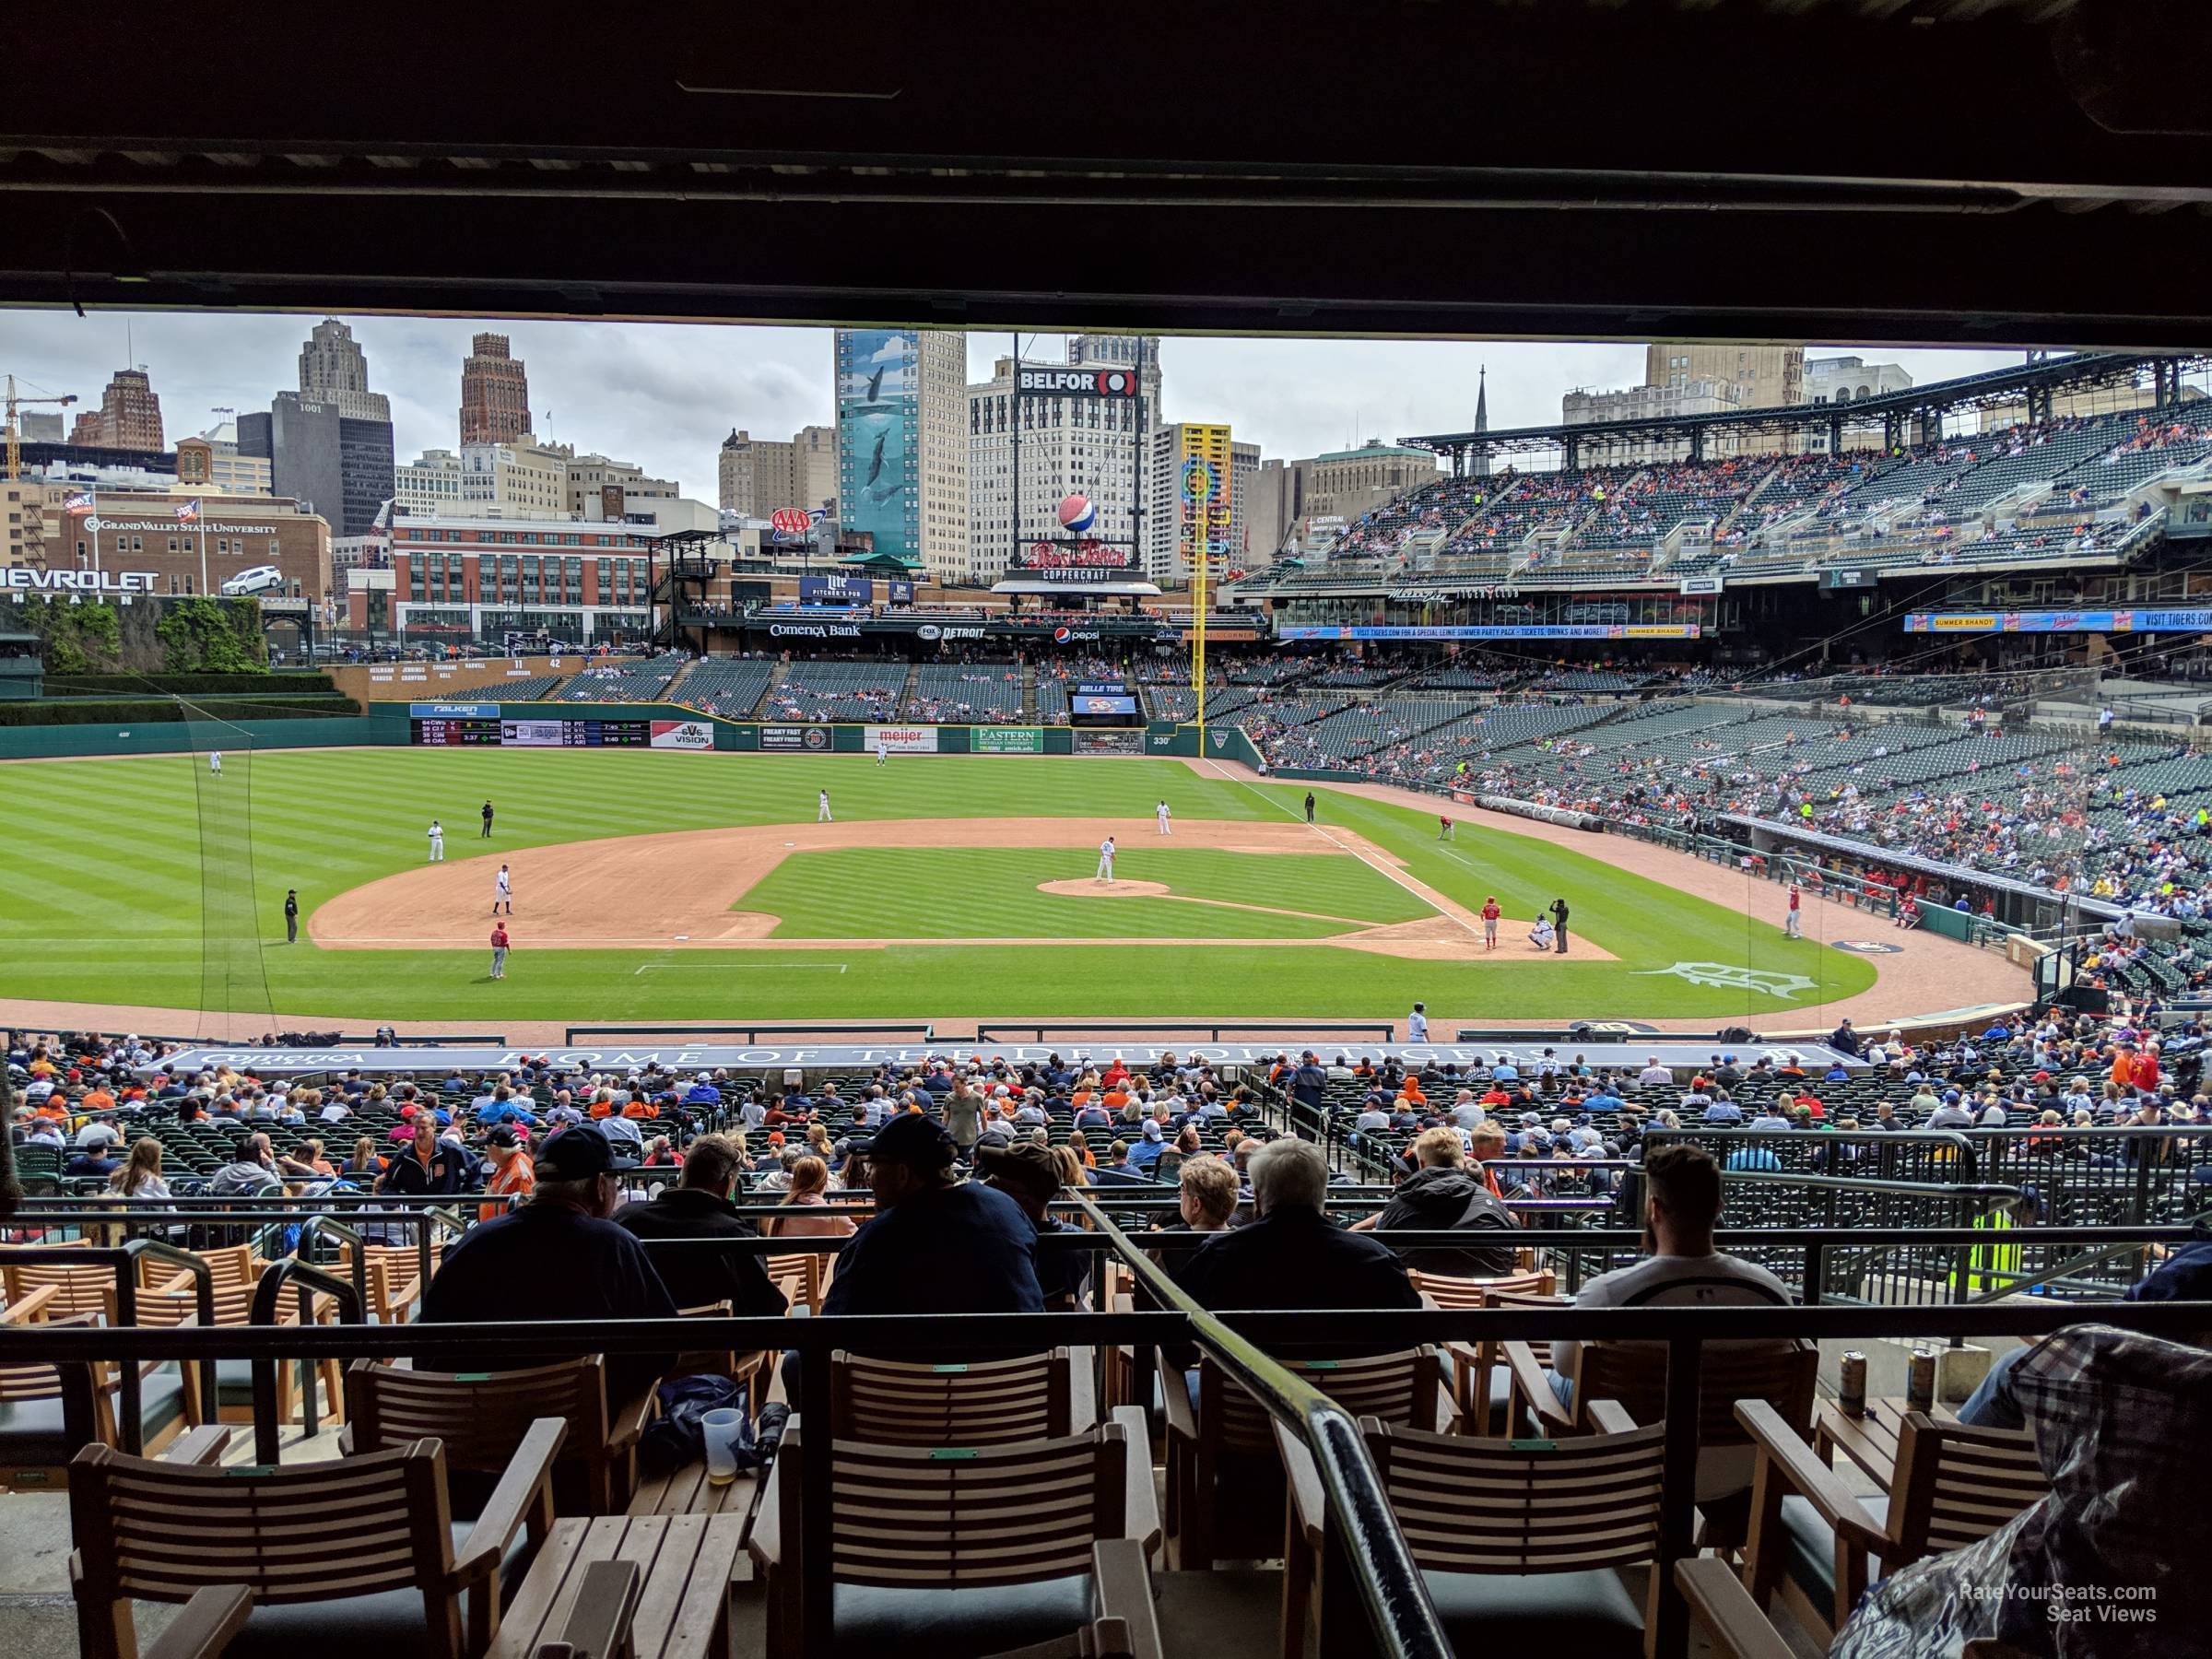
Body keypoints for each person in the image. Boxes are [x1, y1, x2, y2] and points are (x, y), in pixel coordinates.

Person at [1547, 1144, 1793, 1497]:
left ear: (1655, 1209)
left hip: (1633, 1470)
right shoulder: (1771, 1293)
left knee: (1550, 1376)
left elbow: (1566, 1365)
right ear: (1718, 1209)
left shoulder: (1609, 1293)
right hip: (1750, 1473)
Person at [421, 1125, 677, 1404]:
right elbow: (663, 1351)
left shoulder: (473, 1242)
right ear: (598, 1186)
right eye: (615, 1179)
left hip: (478, 1426)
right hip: (585, 1431)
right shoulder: (615, 1245)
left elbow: (428, 1354)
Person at [1175, 1139, 1419, 1322]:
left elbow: (1179, 1346)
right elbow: (1412, 1332)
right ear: (1322, 1196)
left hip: (1239, 1390)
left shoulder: (1218, 1256)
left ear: (1257, 1199)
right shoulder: (1376, 1259)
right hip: (1356, 1389)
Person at [612, 1133, 789, 1317]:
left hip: (634, 1342)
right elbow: (767, 1306)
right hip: (716, 1342)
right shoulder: (736, 1235)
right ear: (728, 1184)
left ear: (681, 1179)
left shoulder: (626, 1218)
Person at [1352, 1127, 1519, 1277]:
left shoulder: (1399, 1203)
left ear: (1422, 1163)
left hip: (1425, 1301)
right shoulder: (1490, 1199)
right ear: (1462, 1163)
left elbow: (1385, 1252)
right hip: (1488, 1299)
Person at [978, 1140, 1089, 1310]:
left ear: (1025, 1200)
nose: (987, 1184)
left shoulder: (992, 1242)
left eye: (998, 1183)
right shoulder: (1079, 1243)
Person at [765, 1155, 857, 1239]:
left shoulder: (779, 1214)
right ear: (823, 1182)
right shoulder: (835, 1217)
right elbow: (859, 1241)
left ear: (796, 1180)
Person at [478, 1124, 535, 1221]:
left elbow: (523, 1219)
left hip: (502, 1233)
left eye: (488, 1145)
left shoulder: (519, 1176)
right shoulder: (505, 1162)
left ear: (497, 1149)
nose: (486, 1149)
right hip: (494, 1230)